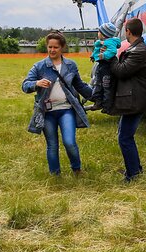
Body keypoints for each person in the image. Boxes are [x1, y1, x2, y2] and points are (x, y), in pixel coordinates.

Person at [22, 31, 93, 176]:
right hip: (47, 112)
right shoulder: (39, 66)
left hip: (66, 109)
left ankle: (77, 169)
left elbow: (80, 86)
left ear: (62, 48)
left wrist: (97, 97)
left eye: (55, 47)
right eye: (50, 47)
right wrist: (36, 83)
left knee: (69, 142)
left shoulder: (70, 65)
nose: (52, 50)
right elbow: (25, 85)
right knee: (52, 145)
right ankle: (55, 174)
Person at [109, 17, 146, 182]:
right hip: (134, 99)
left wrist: (111, 56)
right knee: (124, 134)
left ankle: (133, 174)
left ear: (127, 31)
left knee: (125, 137)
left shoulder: (139, 51)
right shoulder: (137, 48)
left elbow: (121, 71)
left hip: (135, 101)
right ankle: (135, 169)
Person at [86, 22, 122, 112]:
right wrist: (93, 56)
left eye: (99, 31)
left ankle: (107, 106)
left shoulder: (110, 43)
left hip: (107, 68)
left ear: (104, 34)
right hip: (100, 67)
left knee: (107, 86)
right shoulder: (101, 42)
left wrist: (104, 55)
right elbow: (96, 50)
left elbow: (112, 51)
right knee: (98, 84)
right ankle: (98, 101)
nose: (97, 33)